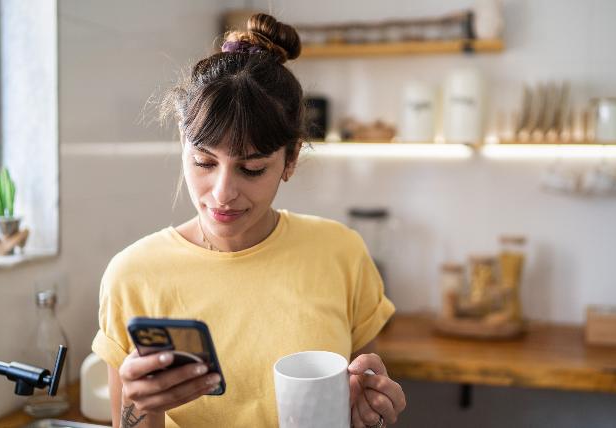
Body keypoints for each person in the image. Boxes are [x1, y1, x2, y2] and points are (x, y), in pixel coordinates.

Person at [92, 13, 406, 428]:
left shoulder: (341, 252)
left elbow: (355, 400)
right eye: (204, 162)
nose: (222, 193)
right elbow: (128, 422)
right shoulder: (132, 274)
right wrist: (143, 407)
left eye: (252, 169)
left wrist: (373, 412)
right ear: (182, 144)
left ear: (290, 160)